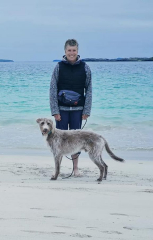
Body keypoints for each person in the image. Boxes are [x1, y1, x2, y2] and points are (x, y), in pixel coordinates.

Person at [49, 39, 92, 176]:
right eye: (69, 50)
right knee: (58, 143)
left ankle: (75, 168)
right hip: (61, 110)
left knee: (76, 142)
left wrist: (86, 111)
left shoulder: (85, 67)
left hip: (78, 111)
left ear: (77, 51)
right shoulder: (58, 67)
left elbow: (89, 90)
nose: (71, 53)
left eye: (74, 50)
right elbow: (52, 89)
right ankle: (58, 169)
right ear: (65, 51)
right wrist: (55, 111)